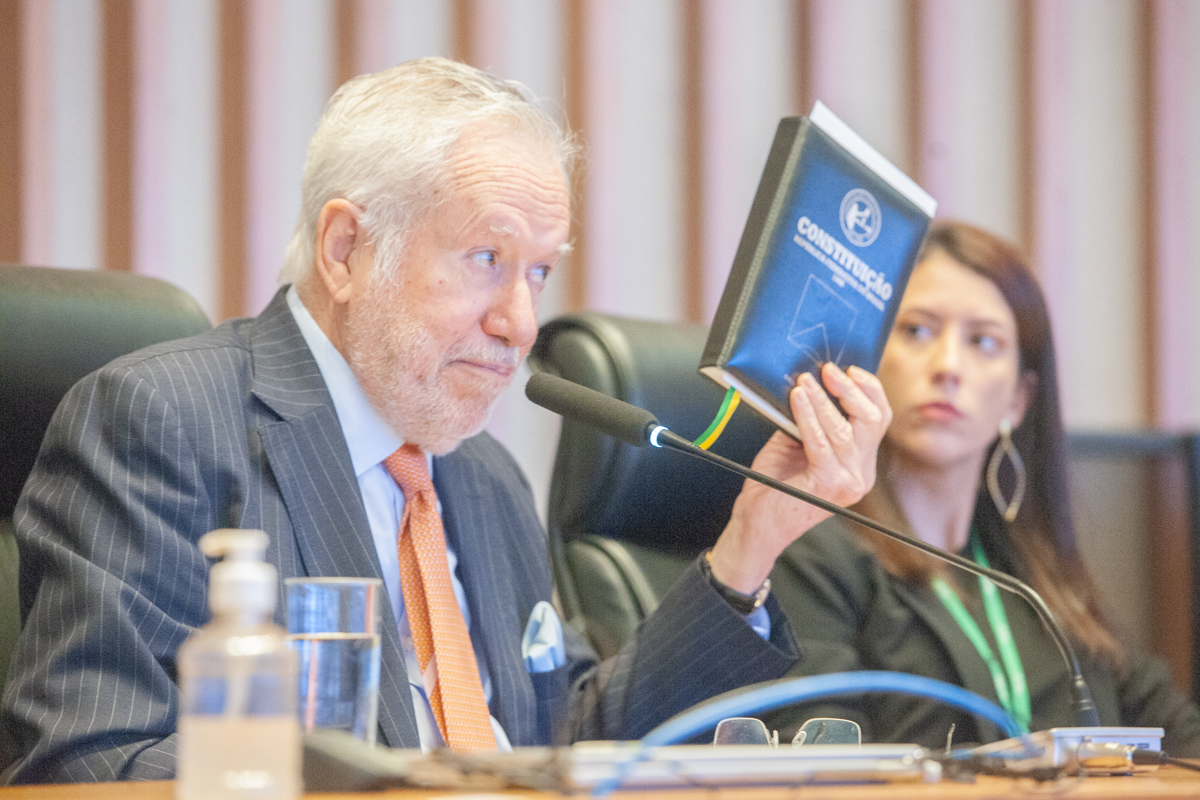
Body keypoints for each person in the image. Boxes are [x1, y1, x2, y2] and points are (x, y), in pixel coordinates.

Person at [0, 57, 891, 782]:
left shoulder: (483, 474)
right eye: (484, 257)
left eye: (538, 272)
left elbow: (571, 746)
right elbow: (86, 762)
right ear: (346, 250)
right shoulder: (162, 423)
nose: (521, 323)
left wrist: (751, 542)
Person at [765, 220, 1200, 755]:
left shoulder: (1037, 575)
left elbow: (1180, 738)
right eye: (917, 331)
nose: (948, 367)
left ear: (1018, 399)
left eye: (983, 341)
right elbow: (820, 766)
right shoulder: (816, 556)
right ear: (868, 362)